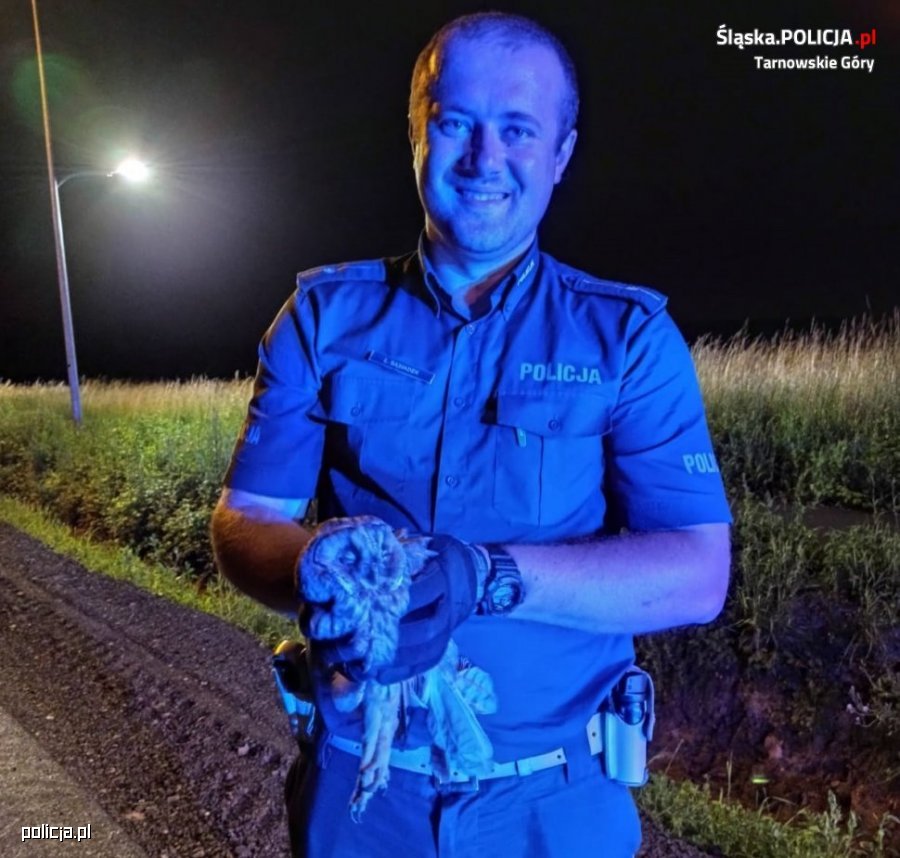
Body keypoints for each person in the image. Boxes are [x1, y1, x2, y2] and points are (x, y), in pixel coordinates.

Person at [211, 11, 731, 858]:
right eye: (456, 123)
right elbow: (244, 520)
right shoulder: (321, 317)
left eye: (518, 130)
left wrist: (484, 576)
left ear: (560, 154)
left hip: (554, 805)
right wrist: (315, 567)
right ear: (416, 136)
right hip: (361, 789)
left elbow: (698, 573)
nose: (485, 160)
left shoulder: (627, 339)